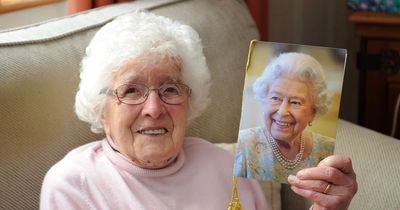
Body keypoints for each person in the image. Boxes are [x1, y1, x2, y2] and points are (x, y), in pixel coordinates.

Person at [40, 12, 357, 210]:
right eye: (131, 90)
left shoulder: (226, 166)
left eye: (170, 89)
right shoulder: (73, 185)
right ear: (102, 109)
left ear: (189, 102)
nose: (153, 108)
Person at [234, 52, 336, 184]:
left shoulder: (329, 150)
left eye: (295, 102)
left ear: (313, 112)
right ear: (265, 99)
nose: (282, 112)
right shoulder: (243, 145)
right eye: (275, 98)